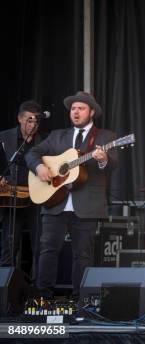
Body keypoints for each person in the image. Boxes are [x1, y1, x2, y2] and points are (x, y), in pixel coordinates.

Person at [26, 92, 117, 298]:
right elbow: (31, 153)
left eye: (81, 108)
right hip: (54, 201)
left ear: (91, 112)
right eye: (73, 109)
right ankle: (43, 298)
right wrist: (39, 167)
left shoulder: (104, 137)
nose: (76, 112)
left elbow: (112, 164)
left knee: (82, 255)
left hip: (86, 204)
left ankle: (80, 302)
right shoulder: (58, 135)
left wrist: (103, 159)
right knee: (47, 250)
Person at [0, 100, 45, 277]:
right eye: (29, 120)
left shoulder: (45, 140)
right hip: (12, 195)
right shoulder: (4, 137)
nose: (32, 125)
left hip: (37, 196)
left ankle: (38, 287)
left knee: (40, 244)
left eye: (36, 121)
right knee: (10, 244)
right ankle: (5, 289)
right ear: (19, 119)